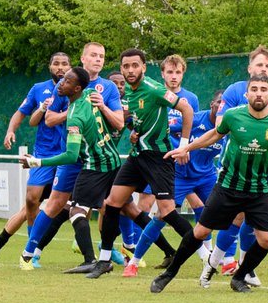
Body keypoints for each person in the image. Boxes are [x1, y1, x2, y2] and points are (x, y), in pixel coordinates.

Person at [150, 74, 268, 294]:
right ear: (247, 94)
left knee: (267, 239)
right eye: (254, 89)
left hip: (259, 190)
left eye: (263, 89)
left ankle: (239, 277)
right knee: (200, 231)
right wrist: (186, 148)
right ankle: (169, 273)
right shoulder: (234, 116)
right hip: (228, 187)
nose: (258, 93)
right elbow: (214, 135)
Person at [80, 48, 196, 279]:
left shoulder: (154, 88)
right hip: (138, 155)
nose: (130, 70)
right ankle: (103, 261)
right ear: (122, 69)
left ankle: (203, 249)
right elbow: (136, 120)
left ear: (144, 67)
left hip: (158, 156)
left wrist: (184, 145)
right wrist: (134, 131)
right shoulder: (129, 94)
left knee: (166, 212)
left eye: (135, 66)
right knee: (112, 202)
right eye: (126, 66)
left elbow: (187, 108)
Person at [20, 67, 135, 275]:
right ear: (84, 59)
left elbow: (119, 124)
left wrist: (36, 162)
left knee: (115, 207)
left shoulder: (99, 93)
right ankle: (30, 253)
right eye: (93, 55)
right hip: (87, 161)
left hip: (96, 162)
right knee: (59, 205)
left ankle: (117, 253)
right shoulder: (78, 95)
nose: (61, 82)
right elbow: (47, 119)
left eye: (100, 56)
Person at [211, 45, 268, 285]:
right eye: (259, 65)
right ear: (250, 68)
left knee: (252, 218)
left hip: (259, 168)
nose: (264, 69)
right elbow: (220, 125)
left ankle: (245, 267)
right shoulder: (236, 90)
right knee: (235, 216)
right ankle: (214, 262)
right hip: (233, 165)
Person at [122, 90, 223, 278]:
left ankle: (214, 259)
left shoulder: (228, 125)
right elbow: (165, 127)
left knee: (219, 213)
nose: (221, 107)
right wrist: (137, 132)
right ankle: (134, 262)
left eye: (225, 104)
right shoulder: (196, 120)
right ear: (211, 104)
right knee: (161, 216)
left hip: (206, 176)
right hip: (179, 175)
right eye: (219, 102)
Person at [0, 52, 72, 267]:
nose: (60, 67)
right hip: (43, 154)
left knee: (66, 207)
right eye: (56, 63)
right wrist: (10, 131)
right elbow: (22, 113)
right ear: (50, 66)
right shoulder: (38, 89)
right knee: (31, 203)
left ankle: (31, 251)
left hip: (68, 153)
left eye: (64, 64)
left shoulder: (77, 90)